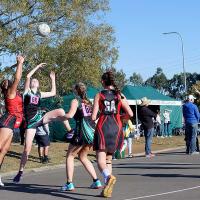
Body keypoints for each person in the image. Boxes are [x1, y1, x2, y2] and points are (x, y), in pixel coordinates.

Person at [13, 63, 67, 183]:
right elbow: (27, 76)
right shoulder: (27, 92)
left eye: (36, 81)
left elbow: (53, 92)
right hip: (31, 123)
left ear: (38, 85)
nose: (34, 81)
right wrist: (37, 67)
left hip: (40, 118)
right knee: (27, 148)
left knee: (61, 111)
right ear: (31, 83)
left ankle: (70, 131)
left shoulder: (39, 93)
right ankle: (20, 172)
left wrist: (53, 79)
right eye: (34, 80)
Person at [92, 71, 133, 198]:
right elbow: (130, 114)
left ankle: (108, 177)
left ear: (103, 82)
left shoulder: (99, 95)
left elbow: (93, 117)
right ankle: (106, 190)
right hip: (116, 127)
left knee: (100, 160)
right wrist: (120, 117)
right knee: (109, 160)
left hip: (103, 126)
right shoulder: (120, 95)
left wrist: (98, 114)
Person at [61, 82, 102, 191]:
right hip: (91, 134)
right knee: (83, 157)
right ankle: (96, 181)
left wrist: (58, 116)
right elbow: (96, 116)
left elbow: (69, 115)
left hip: (80, 133)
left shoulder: (75, 101)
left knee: (70, 156)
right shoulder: (88, 102)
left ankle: (69, 183)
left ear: (75, 91)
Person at [0, 55, 25, 187]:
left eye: (6, 81)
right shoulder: (10, 92)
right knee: (0, 147)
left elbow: (23, 80)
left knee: (4, 150)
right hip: (7, 120)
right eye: (3, 82)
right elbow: (17, 78)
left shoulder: (17, 94)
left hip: (13, 122)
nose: (5, 81)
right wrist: (20, 63)